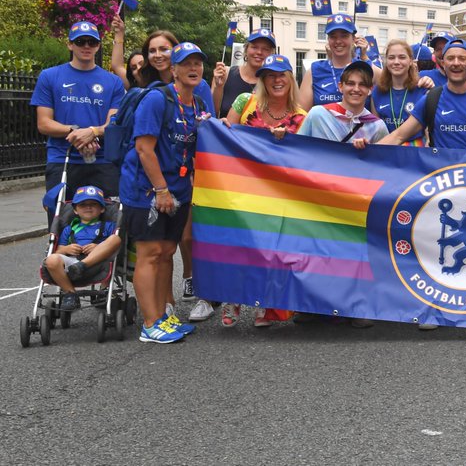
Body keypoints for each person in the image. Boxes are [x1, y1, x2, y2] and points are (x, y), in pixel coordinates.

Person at [121, 42, 210, 344]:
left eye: (198, 63)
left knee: (167, 252)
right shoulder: (157, 99)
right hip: (147, 190)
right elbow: (144, 149)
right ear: (173, 70)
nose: (193, 69)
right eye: (186, 64)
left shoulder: (197, 104)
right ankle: (150, 324)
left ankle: (163, 316)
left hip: (180, 190)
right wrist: (161, 190)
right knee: (150, 253)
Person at [294, 59, 390, 327]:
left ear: (370, 90)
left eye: (362, 85)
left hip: (355, 201)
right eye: (350, 83)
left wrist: (367, 153)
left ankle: (356, 306)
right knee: (317, 251)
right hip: (320, 198)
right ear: (340, 86)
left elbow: (386, 167)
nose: (356, 89)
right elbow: (297, 150)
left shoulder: (377, 127)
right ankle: (312, 306)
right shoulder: (318, 114)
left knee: (353, 253)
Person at [220, 53, 307, 328]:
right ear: (262, 80)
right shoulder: (245, 102)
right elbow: (225, 137)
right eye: (270, 75)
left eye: (281, 74)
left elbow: (306, 158)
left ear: (290, 79)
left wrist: (287, 142)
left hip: (280, 193)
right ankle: (231, 300)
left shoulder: (302, 117)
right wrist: (222, 127)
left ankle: (264, 305)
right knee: (240, 247)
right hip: (243, 188)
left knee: (271, 250)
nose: (276, 80)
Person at [32, 20, 125, 200]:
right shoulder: (49, 76)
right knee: (61, 221)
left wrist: (92, 132)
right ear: (70, 44)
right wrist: (76, 132)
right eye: (80, 41)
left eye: (92, 42)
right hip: (63, 159)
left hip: (103, 161)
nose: (86, 46)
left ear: (98, 46)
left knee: (108, 224)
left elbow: (113, 124)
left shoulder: (113, 82)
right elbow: (44, 123)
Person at [40, 185, 121, 312]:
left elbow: (114, 246)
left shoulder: (108, 226)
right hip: (73, 264)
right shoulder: (69, 229)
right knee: (51, 260)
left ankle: (104, 289)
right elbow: (58, 250)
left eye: (93, 204)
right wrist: (67, 249)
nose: (88, 207)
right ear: (76, 210)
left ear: (102, 209)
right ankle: (70, 293)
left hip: (98, 263)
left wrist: (98, 247)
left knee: (115, 239)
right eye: (83, 204)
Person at [298, 14, 378, 110]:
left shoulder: (365, 67)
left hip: (360, 125)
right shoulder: (314, 70)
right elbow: (302, 114)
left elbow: (389, 81)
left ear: (353, 39)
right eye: (333, 36)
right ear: (328, 39)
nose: (338, 41)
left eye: (344, 36)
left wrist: (364, 57)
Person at [211, 28, 276, 118]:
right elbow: (212, 112)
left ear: (272, 54)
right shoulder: (225, 74)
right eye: (254, 47)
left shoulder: (274, 82)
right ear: (246, 49)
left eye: (266, 49)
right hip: (226, 131)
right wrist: (218, 87)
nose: (259, 52)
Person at [371, 39, 427, 142]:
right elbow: (376, 129)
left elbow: (428, 131)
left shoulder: (421, 89)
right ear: (386, 61)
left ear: (410, 61)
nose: (396, 62)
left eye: (402, 57)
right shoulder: (377, 91)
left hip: (414, 151)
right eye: (391, 58)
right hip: (386, 148)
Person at [107, 13, 142, 90]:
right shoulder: (133, 88)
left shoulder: (166, 84)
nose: (138, 68)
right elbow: (117, 66)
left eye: (142, 63)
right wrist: (119, 33)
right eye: (133, 68)